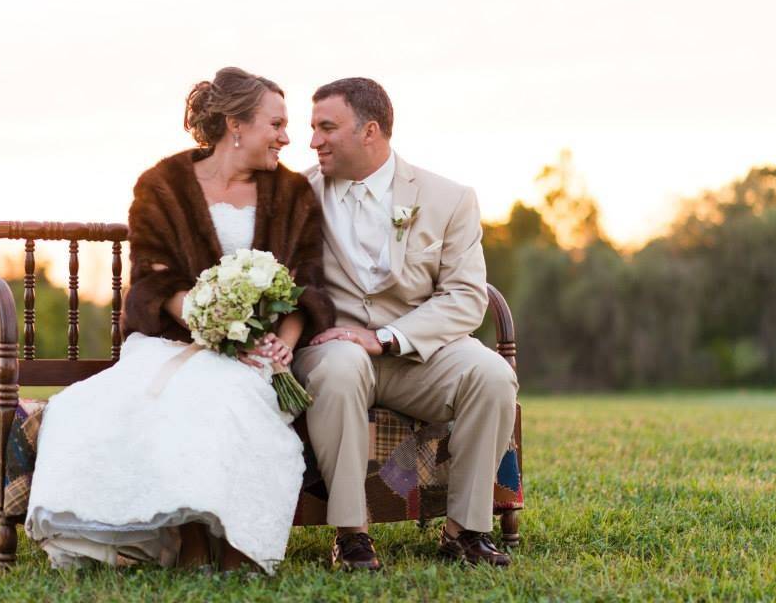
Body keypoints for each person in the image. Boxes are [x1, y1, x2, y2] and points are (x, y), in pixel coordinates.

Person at [25, 67, 335, 574]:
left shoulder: (294, 194)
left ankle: (238, 542)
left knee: (228, 395)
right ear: (236, 124)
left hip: (256, 350)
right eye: (275, 124)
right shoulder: (162, 185)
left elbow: (308, 284)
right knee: (114, 401)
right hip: (170, 341)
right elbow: (152, 278)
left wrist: (283, 342)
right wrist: (203, 315)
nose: (287, 136)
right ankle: (188, 542)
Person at [293, 78, 518, 570]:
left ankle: (465, 530)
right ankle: (352, 535)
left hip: (417, 351)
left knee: (492, 374)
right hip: (334, 349)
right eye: (313, 128)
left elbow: (464, 297)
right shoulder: (297, 195)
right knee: (341, 366)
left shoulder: (448, 198)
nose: (314, 141)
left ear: (370, 130)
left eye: (327, 127)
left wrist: (387, 338)